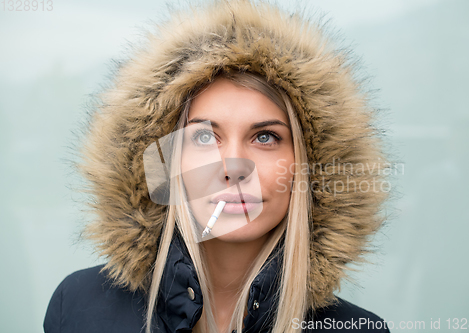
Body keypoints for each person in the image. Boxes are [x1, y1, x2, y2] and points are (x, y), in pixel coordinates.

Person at [44, 0, 392, 332]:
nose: (234, 167)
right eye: (205, 138)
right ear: (167, 165)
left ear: (311, 170)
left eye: (266, 137)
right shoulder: (77, 308)